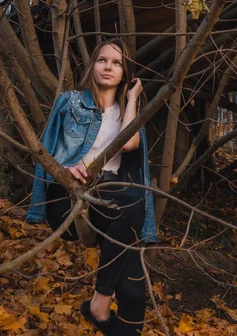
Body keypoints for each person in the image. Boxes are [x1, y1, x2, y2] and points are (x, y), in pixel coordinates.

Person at [25, 38, 157, 335]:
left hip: (113, 200)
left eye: (117, 63)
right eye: (102, 60)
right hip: (69, 195)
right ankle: (100, 301)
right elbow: (44, 151)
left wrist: (133, 99)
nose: (109, 67)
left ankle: (98, 306)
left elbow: (131, 143)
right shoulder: (70, 102)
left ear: (125, 73)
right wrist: (63, 169)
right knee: (133, 199)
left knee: (134, 290)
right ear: (92, 65)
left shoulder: (127, 112)